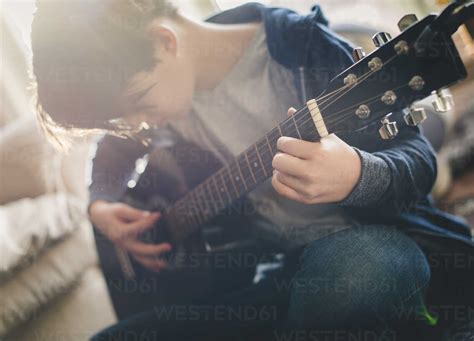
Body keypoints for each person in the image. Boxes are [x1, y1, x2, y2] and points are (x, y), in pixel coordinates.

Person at [31, 1, 473, 340]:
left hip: (361, 256)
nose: (138, 127)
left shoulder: (300, 48)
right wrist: (101, 202)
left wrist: (358, 174)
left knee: (364, 273)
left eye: (139, 106)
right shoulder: (162, 95)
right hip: (267, 277)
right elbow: (111, 153)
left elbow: (418, 161)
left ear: (165, 41)